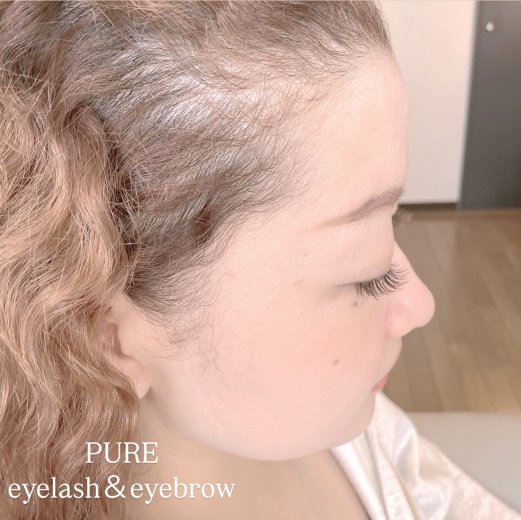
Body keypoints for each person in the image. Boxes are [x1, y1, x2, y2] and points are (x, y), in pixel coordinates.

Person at [0, 1, 519, 519]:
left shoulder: (338, 422)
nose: (420, 305)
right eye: (368, 273)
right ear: (106, 339)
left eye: (393, 222)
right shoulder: (308, 408)